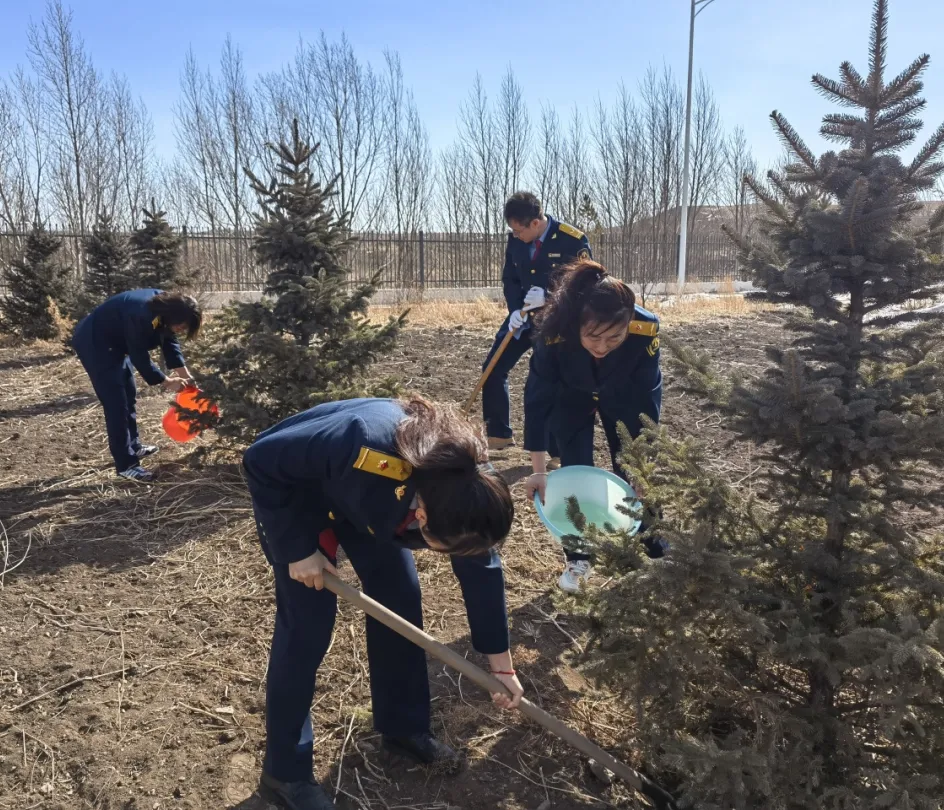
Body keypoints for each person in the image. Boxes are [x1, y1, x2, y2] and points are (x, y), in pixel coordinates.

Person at [242, 396, 523, 810]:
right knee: (306, 629)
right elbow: (259, 460)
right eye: (440, 548)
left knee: (400, 599)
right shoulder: (364, 446)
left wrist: (501, 663)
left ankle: (404, 728)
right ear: (423, 520)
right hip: (298, 497)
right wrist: (297, 550)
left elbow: (480, 566)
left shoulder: (473, 487)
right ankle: (284, 775)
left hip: (371, 503)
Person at [522, 259, 666, 593]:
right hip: (569, 394)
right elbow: (538, 399)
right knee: (575, 467)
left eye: (614, 339)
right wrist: (539, 469)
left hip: (623, 393)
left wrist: (645, 470)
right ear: (577, 326)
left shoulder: (646, 329)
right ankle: (578, 555)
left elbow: (647, 402)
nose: (602, 348)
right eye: (593, 338)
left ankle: (653, 546)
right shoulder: (554, 330)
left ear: (629, 324)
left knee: (633, 468)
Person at [481, 191, 591, 453]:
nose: (515, 235)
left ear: (535, 223)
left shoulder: (571, 241)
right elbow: (510, 278)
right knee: (492, 369)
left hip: (556, 323)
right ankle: (499, 435)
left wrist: (550, 297)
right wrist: (515, 310)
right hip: (521, 320)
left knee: (549, 383)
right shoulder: (516, 241)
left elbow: (585, 286)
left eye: (518, 230)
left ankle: (554, 450)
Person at [71, 289, 202, 482]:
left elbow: (169, 341)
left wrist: (187, 377)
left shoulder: (166, 309)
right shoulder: (140, 314)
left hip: (116, 344)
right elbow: (139, 356)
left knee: (129, 395)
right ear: (173, 317)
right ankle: (126, 465)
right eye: (181, 326)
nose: (181, 330)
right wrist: (166, 381)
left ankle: (133, 446)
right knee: (116, 404)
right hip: (95, 343)